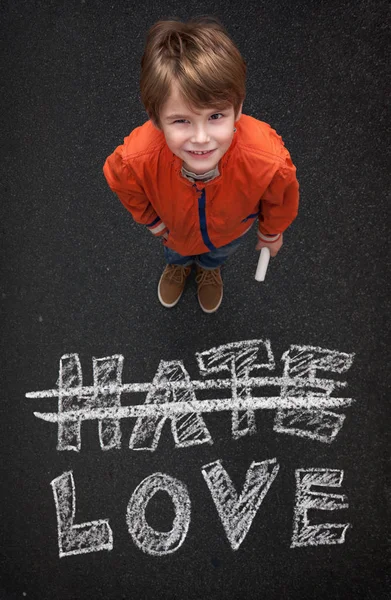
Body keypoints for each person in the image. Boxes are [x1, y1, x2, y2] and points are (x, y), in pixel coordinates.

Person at [103, 16, 299, 313]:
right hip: (176, 232)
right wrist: (154, 224)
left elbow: (279, 198)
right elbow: (124, 183)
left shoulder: (266, 158)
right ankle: (179, 266)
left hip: (230, 231)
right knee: (176, 252)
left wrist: (271, 232)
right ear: (155, 119)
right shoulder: (136, 159)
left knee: (218, 254)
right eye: (182, 121)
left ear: (238, 108)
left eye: (216, 116)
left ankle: (210, 269)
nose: (201, 138)